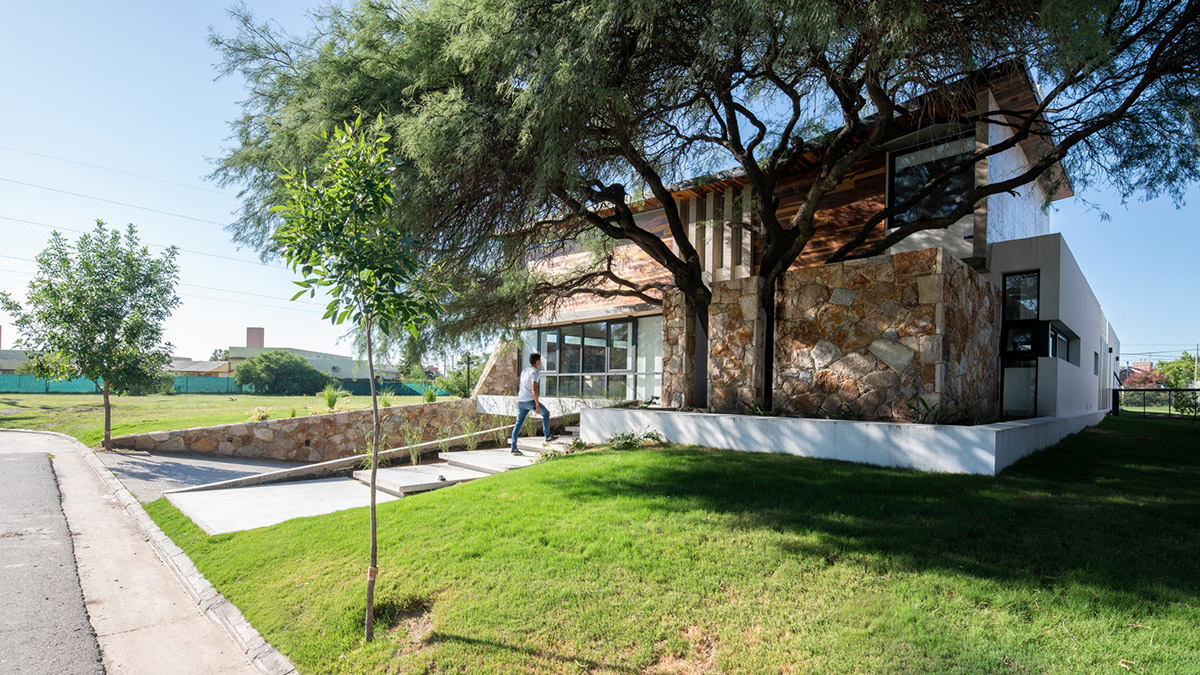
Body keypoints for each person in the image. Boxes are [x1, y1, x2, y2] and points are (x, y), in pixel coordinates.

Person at [511, 352, 556, 455]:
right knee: (546, 413)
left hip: (521, 401)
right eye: (540, 360)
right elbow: (534, 388)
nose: (540, 362)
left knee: (518, 424)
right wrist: (537, 405)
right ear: (537, 361)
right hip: (529, 401)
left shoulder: (524, 371)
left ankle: (513, 448)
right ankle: (548, 436)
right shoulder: (535, 372)